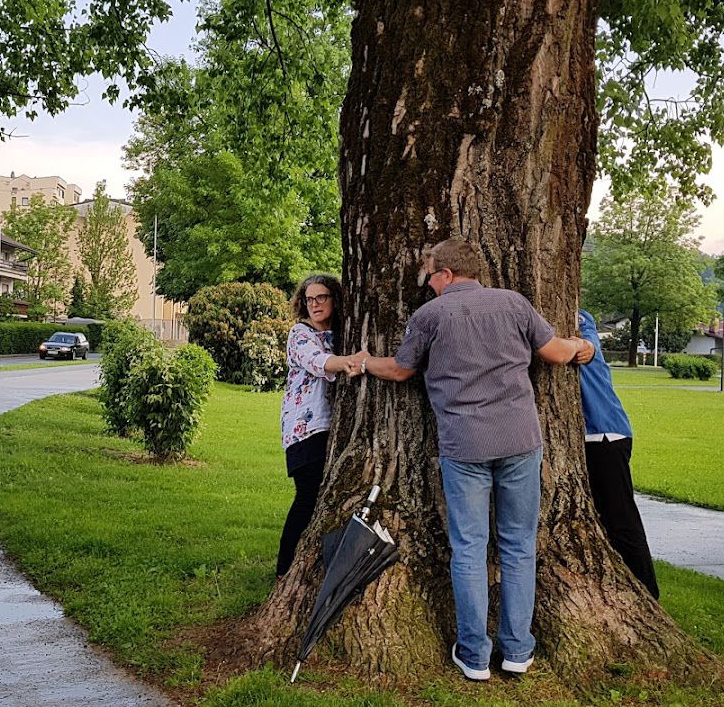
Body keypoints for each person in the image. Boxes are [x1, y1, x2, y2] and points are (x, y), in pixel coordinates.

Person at [353, 237, 591, 681]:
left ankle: (475, 655)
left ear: (444, 274)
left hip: (464, 446)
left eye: (429, 276)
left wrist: (365, 362)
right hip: (520, 440)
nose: (427, 285)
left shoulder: (431, 316)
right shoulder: (514, 304)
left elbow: (401, 370)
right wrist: (583, 345)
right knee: (519, 546)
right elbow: (558, 353)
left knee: (469, 548)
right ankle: (518, 651)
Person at [278, 274, 360, 576]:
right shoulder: (300, 333)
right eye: (309, 299)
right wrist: (357, 361)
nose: (314, 304)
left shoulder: (342, 332)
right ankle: (284, 568)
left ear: (334, 299)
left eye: (321, 297)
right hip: (304, 429)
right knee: (308, 496)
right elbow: (318, 361)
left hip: (330, 427)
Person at [576, 309, 659, 598]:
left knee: (620, 518)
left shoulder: (581, 320)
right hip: (594, 436)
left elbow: (587, 348)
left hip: (605, 435)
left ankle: (647, 592)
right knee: (601, 517)